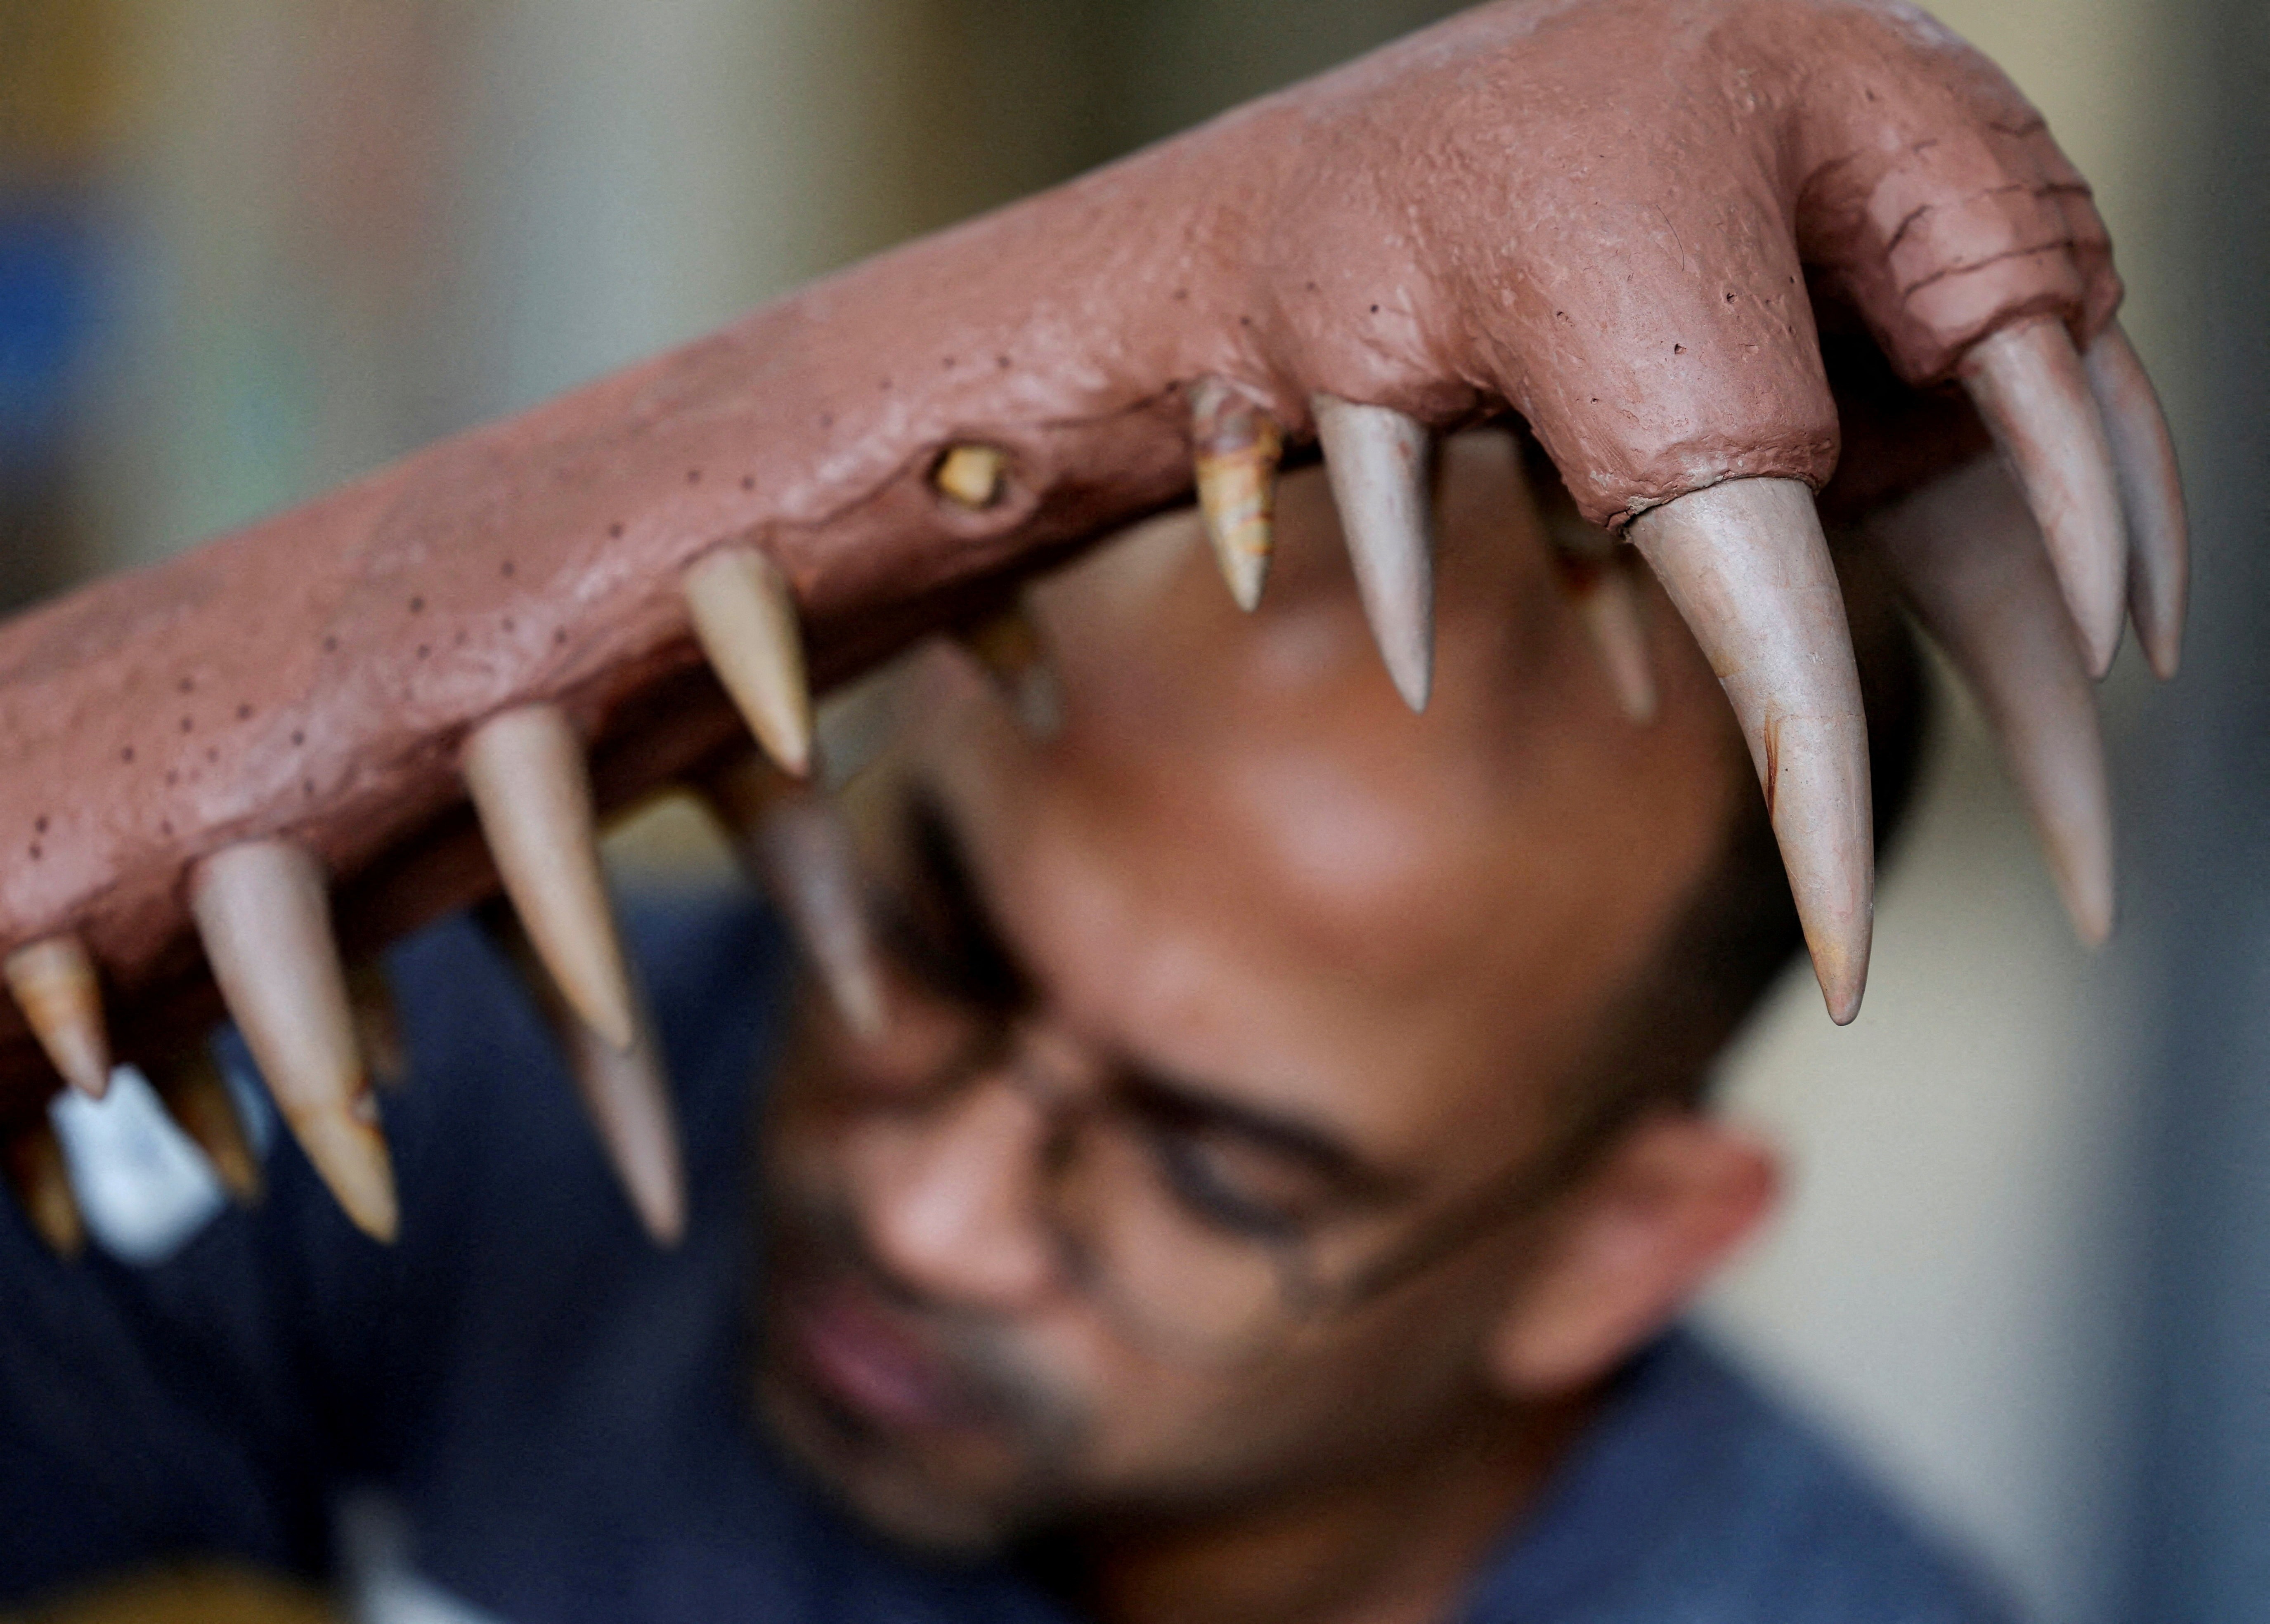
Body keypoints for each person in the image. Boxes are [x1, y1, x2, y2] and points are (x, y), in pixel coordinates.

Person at [0, 428, 2005, 1623]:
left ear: (1613, 1252)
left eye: (1217, 1169)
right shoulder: (509, 1070)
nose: (928, 1214)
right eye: (937, 942)